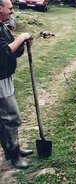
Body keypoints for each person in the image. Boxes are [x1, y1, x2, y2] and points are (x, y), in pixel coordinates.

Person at [0, 0, 33, 169]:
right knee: (10, 117)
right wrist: (21, 37)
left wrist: (22, 44)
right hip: (0, 79)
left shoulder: (2, 26)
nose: (12, 11)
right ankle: (14, 155)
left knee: (5, 117)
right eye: (10, 8)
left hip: (5, 76)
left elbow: (12, 50)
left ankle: (12, 150)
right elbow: (4, 52)